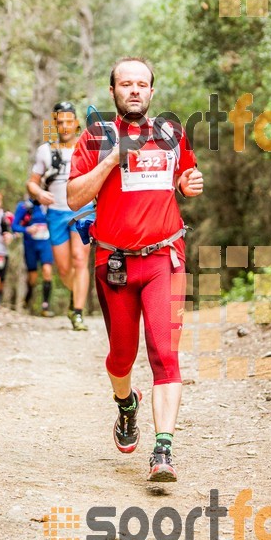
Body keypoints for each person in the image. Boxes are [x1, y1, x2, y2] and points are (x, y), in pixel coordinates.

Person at [67, 57, 203, 482]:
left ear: (151, 91)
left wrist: (188, 184)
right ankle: (127, 405)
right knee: (121, 356)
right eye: (126, 84)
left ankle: (163, 452)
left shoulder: (170, 132)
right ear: (113, 92)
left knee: (165, 356)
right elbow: (73, 198)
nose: (134, 90)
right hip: (116, 263)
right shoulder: (95, 137)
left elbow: (185, 176)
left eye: (141, 84)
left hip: (165, 258)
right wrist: (109, 161)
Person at [27, 101, 94, 331]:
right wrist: (39, 193)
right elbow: (32, 184)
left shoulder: (87, 148)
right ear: (55, 124)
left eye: (69, 121)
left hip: (83, 210)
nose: (65, 126)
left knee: (79, 259)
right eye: (60, 122)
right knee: (64, 269)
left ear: (76, 123)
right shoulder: (45, 151)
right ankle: (77, 292)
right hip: (56, 213)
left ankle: (77, 312)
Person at [11, 196, 55, 317]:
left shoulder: (50, 203)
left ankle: (45, 306)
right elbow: (14, 226)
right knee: (33, 277)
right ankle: (28, 300)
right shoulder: (24, 206)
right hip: (30, 245)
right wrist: (27, 229)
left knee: (47, 271)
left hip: (45, 243)